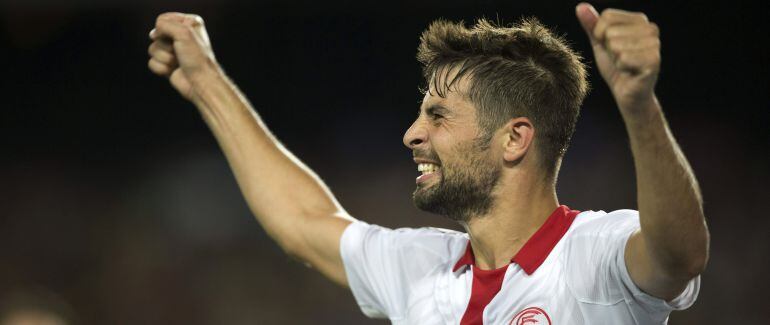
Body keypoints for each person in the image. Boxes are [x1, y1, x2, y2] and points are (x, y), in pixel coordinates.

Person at [147, 2, 709, 324]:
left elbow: (679, 252)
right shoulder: (424, 269)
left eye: (438, 116)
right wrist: (205, 82)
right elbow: (303, 222)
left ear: (514, 140)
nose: (412, 133)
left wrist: (639, 106)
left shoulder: (596, 256)